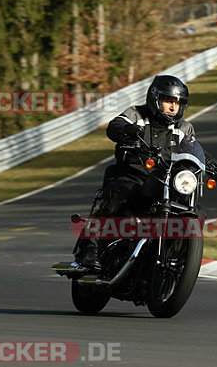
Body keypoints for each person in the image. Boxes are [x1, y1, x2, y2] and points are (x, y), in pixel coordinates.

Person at [73, 75, 198, 273]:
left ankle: (175, 255)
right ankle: (91, 248)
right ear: (155, 99)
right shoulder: (137, 114)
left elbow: (193, 149)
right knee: (120, 193)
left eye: (178, 102)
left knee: (193, 210)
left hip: (163, 182)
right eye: (169, 101)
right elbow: (115, 125)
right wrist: (126, 130)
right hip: (132, 176)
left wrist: (214, 164)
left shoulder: (183, 128)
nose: (173, 107)